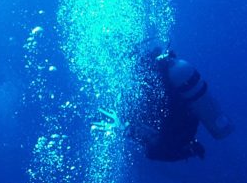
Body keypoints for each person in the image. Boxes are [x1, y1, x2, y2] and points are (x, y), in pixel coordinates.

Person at [94, 47, 233, 161]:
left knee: (152, 152)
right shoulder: (159, 71)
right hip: (185, 127)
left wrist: (125, 130)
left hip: (175, 138)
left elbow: (158, 141)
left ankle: (189, 147)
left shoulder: (145, 83)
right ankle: (190, 146)